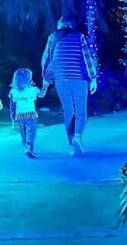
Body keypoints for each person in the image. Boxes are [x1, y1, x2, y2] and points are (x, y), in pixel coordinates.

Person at [41, 16, 97, 155]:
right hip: (79, 79)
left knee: (68, 111)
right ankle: (77, 136)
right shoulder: (79, 36)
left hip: (61, 80)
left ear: (60, 25)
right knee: (80, 111)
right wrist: (93, 78)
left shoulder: (53, 37)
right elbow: (87, 57)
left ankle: (71, 144)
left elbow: (47, 59)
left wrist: (46, 79)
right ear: (72, 25)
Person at [9, 68, 48, 158]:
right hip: (30, 114)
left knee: (23, 132)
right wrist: (45, 85)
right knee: (31, 132)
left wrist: (12, 115)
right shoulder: (32, 90)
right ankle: (28, 148)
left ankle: (26, 147)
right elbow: (41, 94)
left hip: (20, 116)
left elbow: (12, 105)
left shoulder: (14, 91)